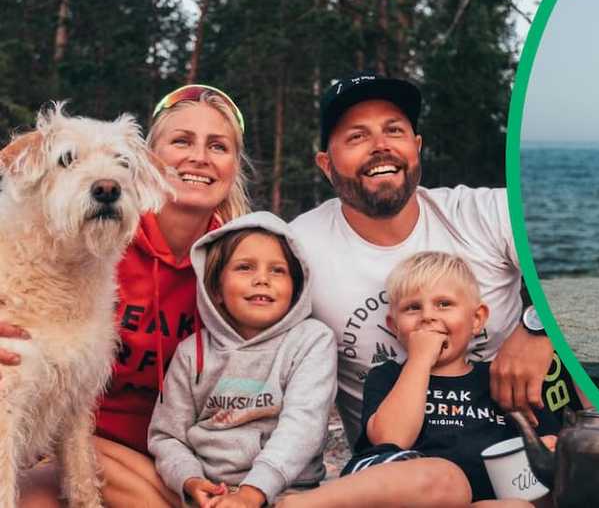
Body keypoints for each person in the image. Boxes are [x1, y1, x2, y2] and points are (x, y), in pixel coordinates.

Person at [290, 72, 561, 451]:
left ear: (417, 146)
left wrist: (539, 327)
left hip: (517, 442)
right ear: (325, 164)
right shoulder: (300, 248)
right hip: (401, 470)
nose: (380, 146)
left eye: (395, 131)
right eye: (357, 136)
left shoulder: (482, 213)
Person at [11, 85, 252, 508]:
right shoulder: (89, 243)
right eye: (181, 141)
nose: (199, 157)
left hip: (187, 458)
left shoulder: (247, 259)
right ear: (152, 161)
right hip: (92, 449)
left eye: (218, 146)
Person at [279, 251, 560, 508]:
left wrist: (549, 447)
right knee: (446, 478)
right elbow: (391, 439)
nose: (428, 316)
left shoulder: (496, 378)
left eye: (444, 304)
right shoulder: (388, 375)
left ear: (477, 319)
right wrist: (420, 359)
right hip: (390, 489)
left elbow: (547, 452)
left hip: (480, 498)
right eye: (413, 308)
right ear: (394, 326)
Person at [148, 211, 337, 508]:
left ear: (296, 288)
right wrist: (190, 480)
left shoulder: (311, 340)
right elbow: (167, 436)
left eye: (278, 270)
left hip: (290, 491)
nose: (262, 280)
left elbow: (303, 426)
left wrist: (253, 493)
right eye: (245, 268)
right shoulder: (192, 351)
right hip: (212, 492)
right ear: (216, 290)